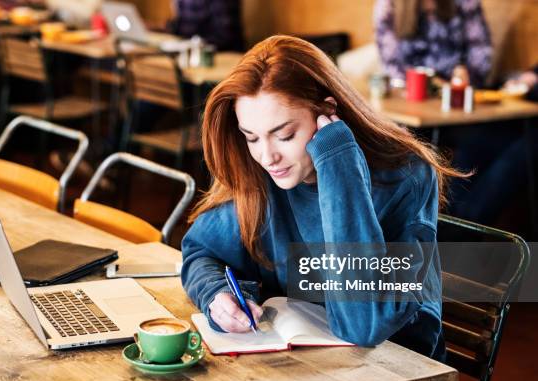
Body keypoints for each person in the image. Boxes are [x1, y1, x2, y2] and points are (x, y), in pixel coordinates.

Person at [181, 35, 465, 361]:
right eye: (252, 138)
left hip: (400, 365)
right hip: (310, 366)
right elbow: (201, 250)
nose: (267, 155)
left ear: (328, 112)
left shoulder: (407, 177)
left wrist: (338, 163)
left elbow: (364, 325)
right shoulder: (266, 174)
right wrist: (215, 294)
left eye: (285, 135)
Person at [374, 0, 492, 87]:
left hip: (453, 90)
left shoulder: (466, 3)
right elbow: (389, 60)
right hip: (408, 91)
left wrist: (468, 75)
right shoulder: (389, 4)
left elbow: (480, 49)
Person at [168, 0, 244, 52]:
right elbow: (181, 25)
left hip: (222, 55)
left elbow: (225, 36)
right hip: (188, 52)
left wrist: (193, 43)